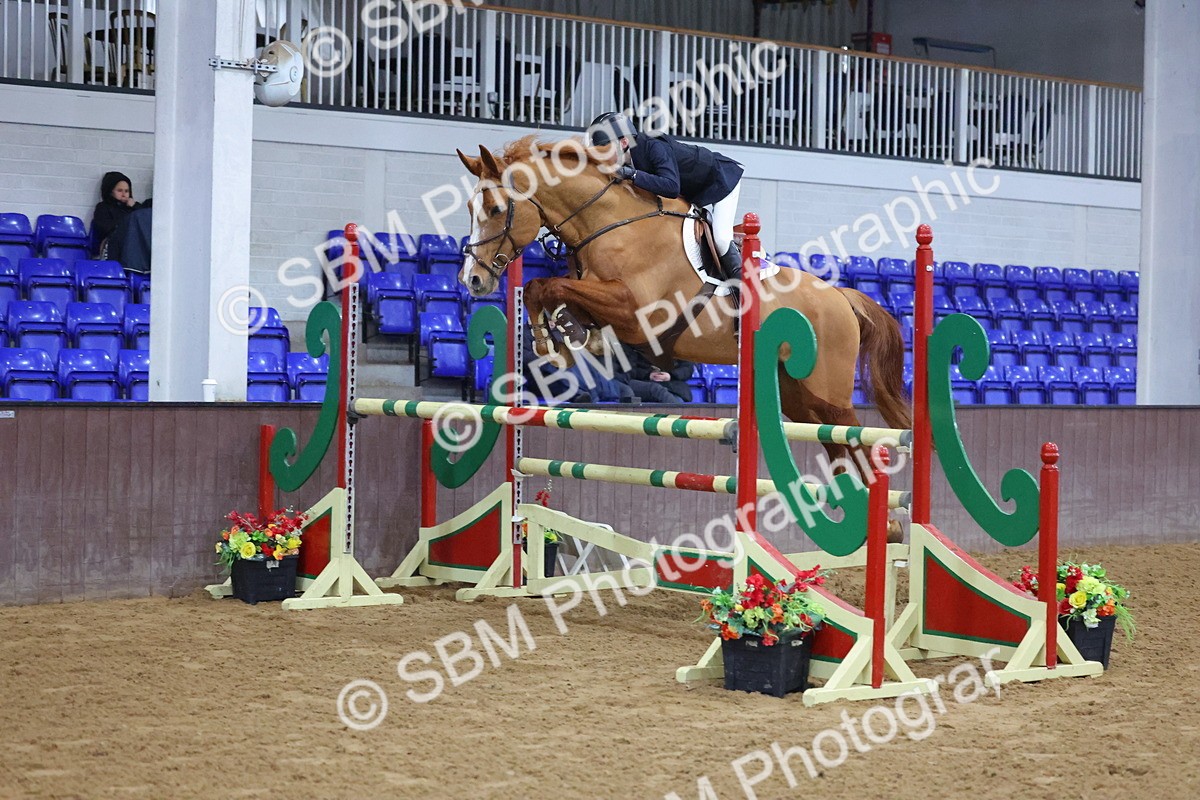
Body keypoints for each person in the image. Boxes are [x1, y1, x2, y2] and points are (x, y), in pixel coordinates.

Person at [587, 112, 745, 279]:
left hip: (721, 181)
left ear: (624, 142)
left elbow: (671, 187)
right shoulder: (626, 159)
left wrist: (633, 175)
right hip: (694, 192)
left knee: (721, 238)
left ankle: (742, 286)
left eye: (605, 149)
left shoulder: (654, 146)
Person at [616, 344, 695, 404]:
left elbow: (688, 368)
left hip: (673, 386)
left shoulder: (676, 344)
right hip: (644, 383)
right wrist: (648, 375)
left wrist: (670, 375)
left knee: (677, 399)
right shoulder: (635, 344)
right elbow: (629, 370)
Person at [91, 171, 143, 258]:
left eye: (126, 191)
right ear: (111, 192)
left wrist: (135, 207)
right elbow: (104, 227)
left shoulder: (134, 208)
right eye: (119, 191)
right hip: (113, 245)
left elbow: (146, 221)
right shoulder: (103, 207)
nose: (124, 194)